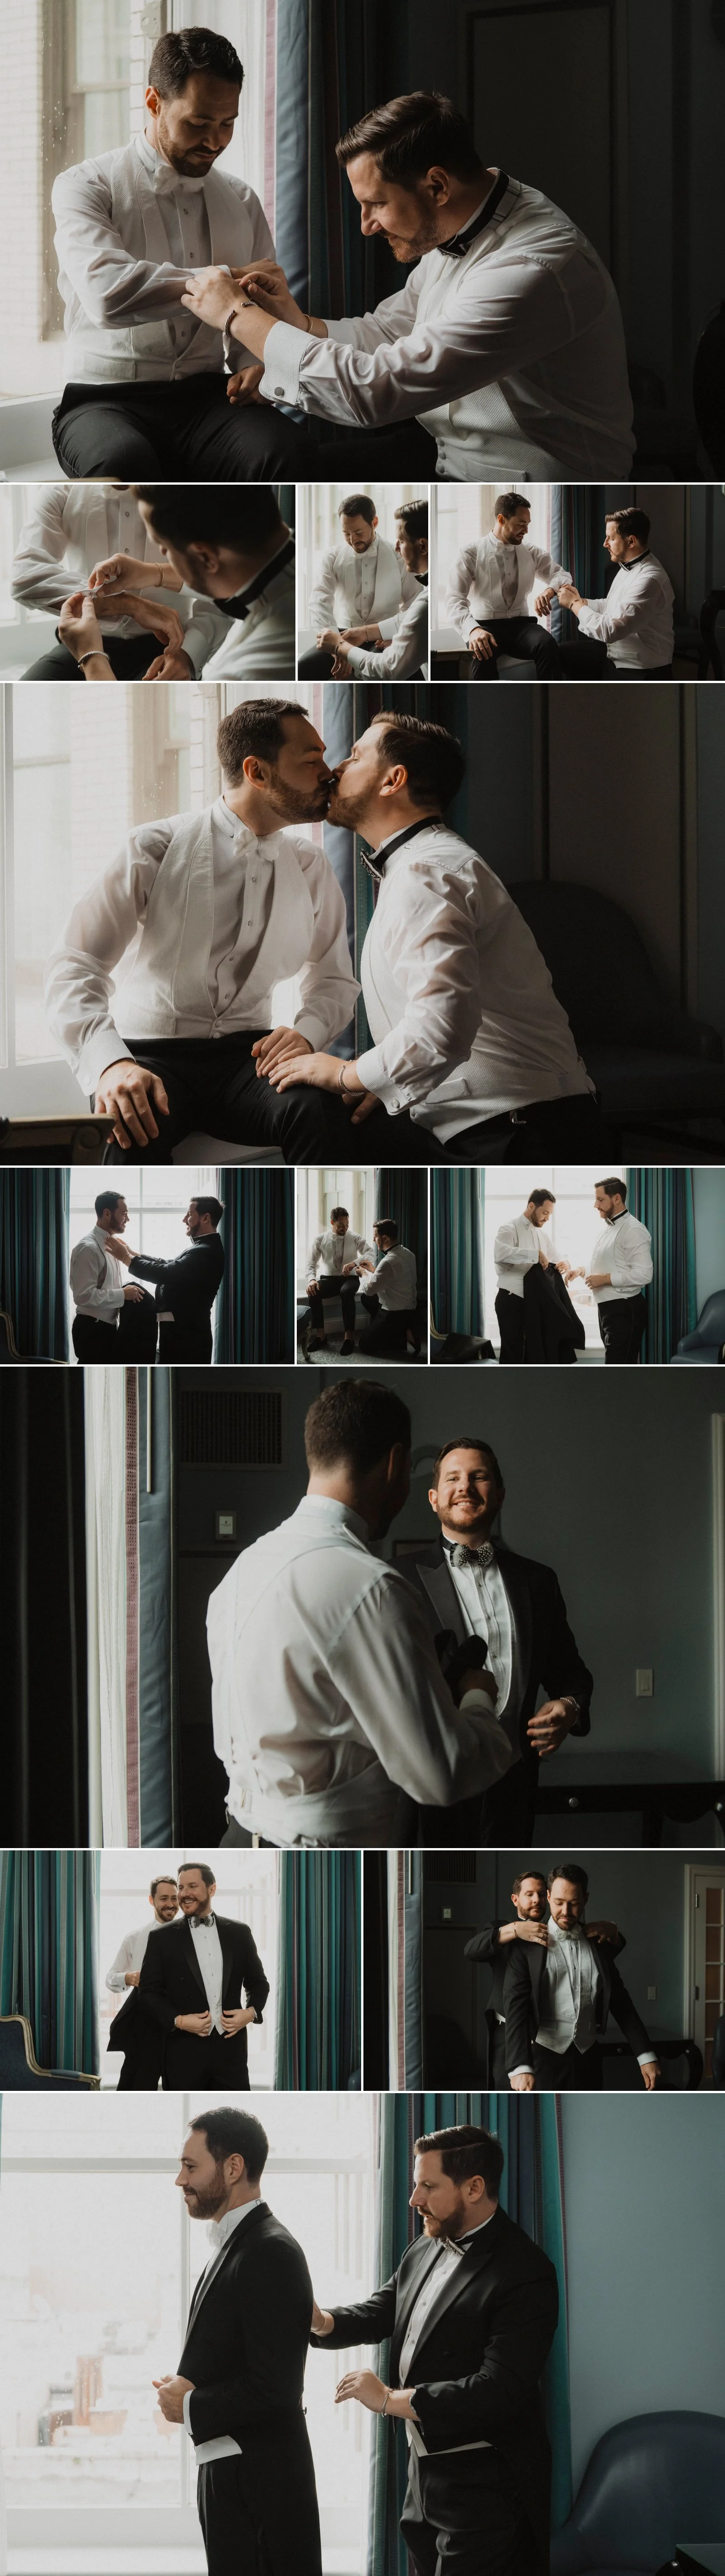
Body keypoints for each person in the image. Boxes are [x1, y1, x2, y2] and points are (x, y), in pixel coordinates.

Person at [182, 91, 634, 482]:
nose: (366, 226)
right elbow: (387, 332)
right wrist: (297, 324)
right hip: (444, 454)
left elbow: (374, 392)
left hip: (532, 477)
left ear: (437, 186)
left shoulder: (532, 269)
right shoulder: (462, 217)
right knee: (292, 470)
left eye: (376, 204)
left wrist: (238, 315)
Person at [265, 709, 601, 1165]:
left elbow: (443, 1027)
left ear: (393, 780)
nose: (336, 769)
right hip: (517, 1122)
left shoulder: (425, 872)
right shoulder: (420, 863)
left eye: (355, 756)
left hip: (520, 1133)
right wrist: (386, 1080)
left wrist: (347, 1073)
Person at [44, 699, 357, 1168]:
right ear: (257, 772)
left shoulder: (312, 867)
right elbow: (74, 965)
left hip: (251, 1061)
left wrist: (307, 1034)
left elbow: (333, 979)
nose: (329, 774)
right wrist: (111, 1063)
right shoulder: (152, 848)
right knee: (127, 1129)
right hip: (149, 1058)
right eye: (312, 761)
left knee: (318, 1110)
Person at [206, 1380, 513, 1849]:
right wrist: (476, 1696)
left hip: (239, 1837)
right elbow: (441, 1775)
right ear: (395, 1464)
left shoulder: (244, 1567)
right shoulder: (373, 1586)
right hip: (316, 1852)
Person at [50, 26, 319, 484]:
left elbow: (257, 303)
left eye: (228, 123)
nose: (215, 141)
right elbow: (107, 295)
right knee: (123, 466)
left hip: (208, 399)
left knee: (289, 451)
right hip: (103, 400)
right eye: (198, 123)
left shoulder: (243, 200)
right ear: (154, 103)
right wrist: (226, 277)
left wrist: (256, 364)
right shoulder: (85, 186)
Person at [311, 2121, 558, 2576]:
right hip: (422, 2477)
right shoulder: (424, 2248)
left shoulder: (526, 2271)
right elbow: (382, 2311)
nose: (413, 2199)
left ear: (474, 2187)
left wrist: (388, 2399)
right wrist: (320, 2320)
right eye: (415, 2184)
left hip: (486, 2486)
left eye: (428, 2186)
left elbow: (499, 2389)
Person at [155, 2108, 322, 2576]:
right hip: (234, 2474)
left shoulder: (271, 2250)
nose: (180, 2180)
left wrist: (189, 2405)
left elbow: (276, 2387)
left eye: (191, 2167)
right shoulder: (238, 2242)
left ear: (233, 2167)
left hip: (259, 2484)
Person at [403, 1436, 593, 1846]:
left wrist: (570, 1707)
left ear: (500, 1495)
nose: (465, 1487)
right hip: (431, 1788)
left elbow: (570, 1674)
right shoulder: (396, 1580)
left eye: (479, 1476)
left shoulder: (539, 1581)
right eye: (453, 1478)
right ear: (434, 1499)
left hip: (515, 1783)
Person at [71, 485, 297, 683]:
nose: (162, 553)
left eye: (165, 547)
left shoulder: (245, 670)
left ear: (206, 557)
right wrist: (152, 573)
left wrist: (91, 657)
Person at [10, 484, 208, 681]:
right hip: (84, 641)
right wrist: (129, 605)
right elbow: (25, 575)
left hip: (170, 647)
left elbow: (219, 587)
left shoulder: (194, 491)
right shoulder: (61, 489)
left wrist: (189, 655)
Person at [504, 1862, 660, 2092]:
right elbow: (515, 2006)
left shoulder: (599, 1943)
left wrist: (645, 2054)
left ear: (586, 1899)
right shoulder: (526, 1945)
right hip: (543, 2060)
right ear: (548, 1896)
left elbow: (620, 2001)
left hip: (590, 2058)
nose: (566, 1912)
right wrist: (520, 2067)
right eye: (559, 1903)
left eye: (574, 1903)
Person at [464, 1870, 624, 2087]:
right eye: (529, 1894)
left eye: (541, 1894)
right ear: (515, 1899)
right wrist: (515, 1930)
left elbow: (603, 1960)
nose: (536, 1900)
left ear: (548, 1896)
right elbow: (471, 1950)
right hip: (509, 2032)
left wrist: (614, 1930)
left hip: (544, 2037)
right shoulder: (502, 1930)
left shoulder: (558, 1931)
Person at [138, 1862, 269, 2091]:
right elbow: (148, 1993)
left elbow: (258, 1983)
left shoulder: (239, 1933)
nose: (184, 1894)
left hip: (231, 2051)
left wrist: (250, 2013)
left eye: (193, 1886)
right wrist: (179, 2021)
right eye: (181, 1887)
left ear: (212, 1889)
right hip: (183, 2051)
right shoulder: (161, 1937)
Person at [444, 492, 570, 679]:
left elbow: (562, 575)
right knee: (482, 654)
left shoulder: (532, 552)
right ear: (502, 520)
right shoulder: (470, 553)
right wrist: (473, 630)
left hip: (522, 627)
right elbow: (454, 599)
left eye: (528, 524)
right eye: (521, 524)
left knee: (547, 644)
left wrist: (550, 590)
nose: (526, 530)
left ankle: (552, 695)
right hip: (485, 627)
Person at [299, 491, 421, 677]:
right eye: (346, 534)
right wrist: (337, 647)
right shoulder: (332, 557)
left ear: (375, 523)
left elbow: (414, 605)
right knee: (304, 667)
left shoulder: (400, 555)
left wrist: (398, 635)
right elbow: (319, 602)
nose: (353, 540)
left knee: (379, 674)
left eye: (358, 533)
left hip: (384, 638)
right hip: (343, 634)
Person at [107, 1194, 226, 1364]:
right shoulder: (203, 1247)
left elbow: (166, 1273)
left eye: (190, 1214)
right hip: (180, 1336)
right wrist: (134, 1254)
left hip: (188, 1342)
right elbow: (169, 1264)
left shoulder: (206, 1251)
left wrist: (127, 1259)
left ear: (206, 1218)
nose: (184, 1219)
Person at [557, 508, 675, 678]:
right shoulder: (628, 565)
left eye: (611, 538)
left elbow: (609, 631)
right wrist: (581, 601)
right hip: (614, 657)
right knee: (560, 652)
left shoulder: (650, 579)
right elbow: (611, 605)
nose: (605, 544)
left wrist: (573, 604)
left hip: (641, 671)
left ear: (631, 541)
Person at [327, 500, 429, 680]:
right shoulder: (334, 557)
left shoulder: (425, 604)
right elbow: (410, 618)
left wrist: (340, 647)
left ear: (422, 546)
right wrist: (366, 633)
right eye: (347, 534)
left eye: (402, 541)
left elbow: (386, 669)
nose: (397, 548)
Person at [565, 1177, 653, 1365]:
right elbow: (609, 1265)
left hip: (625, 1309)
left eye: (600, 1199)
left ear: (617, 1198)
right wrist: (581, 1270)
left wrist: (605, 1279)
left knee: (619, 1367)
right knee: (614, 1366)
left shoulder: (634, 1230)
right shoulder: (609, 1228)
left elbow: (645, 1275)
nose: (595, 1205)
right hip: (608, 1309)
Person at [493, 1185, 585, 1366]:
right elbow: (501, 1254)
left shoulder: (542, 1235)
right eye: (545, 1213)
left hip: (535, 1303)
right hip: (512, 1300)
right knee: (513, 1353)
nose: (547, 1218)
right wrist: (535, 1255)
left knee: (535, 1354)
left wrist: (565, 1263)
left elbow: (557, 1255)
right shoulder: (509, 1228)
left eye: (550, 1214)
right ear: (532, 1206)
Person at [105, 1873, 179, 2090]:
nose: (170, 1904)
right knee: (137, 2087)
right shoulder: (135, 1938)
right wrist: (128, 1977)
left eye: (174, 1898)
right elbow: (111, 1978)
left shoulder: (191, 1936)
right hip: (144, 2027)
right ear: (151, 1900)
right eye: (164, 1898)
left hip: (180, 2026)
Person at [69, 1188, 157, 1361]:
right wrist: (123, 1294)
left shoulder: (113, 1245)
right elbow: (83, 1296)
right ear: (107, 1214)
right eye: (124, 1214)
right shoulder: (88, 1248)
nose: (128, 1219)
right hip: (92, 1330)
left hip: (107, 1329)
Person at [305, 1204, 377, 1357]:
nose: (345, 1228)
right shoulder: (320, 1239)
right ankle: (321, 1337)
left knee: (348, 1291)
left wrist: (355, 1263)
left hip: (350, 1278)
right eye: (341, 1225)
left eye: (347, 1224)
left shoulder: (355, 1237)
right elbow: (311, 1264)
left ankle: (348, 1338)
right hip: (329, 1279)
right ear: (332, 1223)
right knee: (313, 1291)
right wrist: (312, 1280)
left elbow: (371, 1253)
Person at [357, 1219, 421, 1357]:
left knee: (365, 1345)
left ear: (385, 1238)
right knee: (366, 1299)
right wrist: (373, 1270)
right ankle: (395, 1331)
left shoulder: (388, 1261)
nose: (374, 1240)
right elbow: (394, 1278)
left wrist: (363, 1274)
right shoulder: (409, 1254)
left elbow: (369, 1290)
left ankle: (400, 1333)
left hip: (394, 1312)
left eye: (375, 1236)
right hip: (410, 1308)